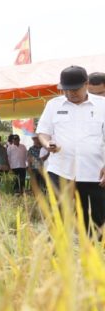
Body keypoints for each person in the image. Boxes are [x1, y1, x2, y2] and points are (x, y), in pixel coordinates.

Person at [37, 66, 105, 237]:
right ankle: (58, 257)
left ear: (86, 84)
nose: (70, 94)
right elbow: (43, 132)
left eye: (75, 89)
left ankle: (94, 258)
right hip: (60, 170)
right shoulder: (53, 105)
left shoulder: (102, 105)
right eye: (66, 90)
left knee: (96, 221)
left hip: (94, 172)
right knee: (57, 218)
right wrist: (47, 144)